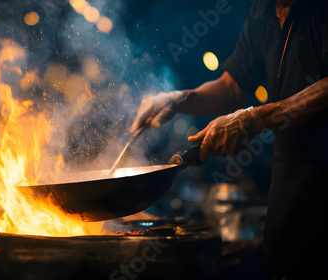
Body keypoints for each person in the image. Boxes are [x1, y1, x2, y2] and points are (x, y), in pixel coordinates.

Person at [131, 0, 328, 278]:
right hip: (288, 204)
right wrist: (179, 100)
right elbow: (230, 86)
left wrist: (253, 119)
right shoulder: (264, 9)